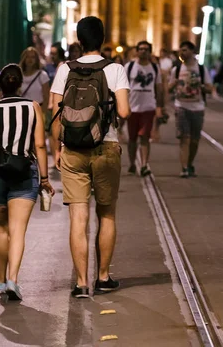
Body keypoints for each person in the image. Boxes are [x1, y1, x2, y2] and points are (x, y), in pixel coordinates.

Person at [50, 16, 130, 298]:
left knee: (78, 217)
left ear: (79, 40)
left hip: (73, 149)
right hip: (106, 146)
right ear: (103, 40)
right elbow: (123, 112)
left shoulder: (64, 69)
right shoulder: (115, 69)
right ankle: (103, 277)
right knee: (106, 214)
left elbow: (56, 113)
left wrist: (56, 150)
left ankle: (82, 283)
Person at [0, 64, 54, 300]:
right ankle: (14, 280)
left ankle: (0, 280)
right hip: (25, 172)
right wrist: (45, 178)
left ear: (0, 86)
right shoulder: (33, 107)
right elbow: (39, 145)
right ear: (20, 85)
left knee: (0, 229)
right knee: (18, 231)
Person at [168, 41, 213, 178]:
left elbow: (210, 88)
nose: (182, 53)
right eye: (181, 50)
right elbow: (169, 88)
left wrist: (202, 86)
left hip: (198, 108)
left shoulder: (201, 69)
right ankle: (184, 168)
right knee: (184, 139)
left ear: (192, 52)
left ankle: (189, 162)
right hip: (181, 107)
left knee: (194, 140)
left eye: (185, 50)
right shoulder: (176, 70)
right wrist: (173, 84)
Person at [125, 41, 164, 176]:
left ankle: (144, 165)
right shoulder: (129, 66)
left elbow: (159, 88)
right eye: (140, 49)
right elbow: (123, 88)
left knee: (144, 137)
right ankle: (131, 163)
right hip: (132, 108)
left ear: (150, 52)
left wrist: (160, 106)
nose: (143, 51)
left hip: (148, 107)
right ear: (137, 51)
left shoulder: (154, 67)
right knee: (132, 138)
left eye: (146, 49)